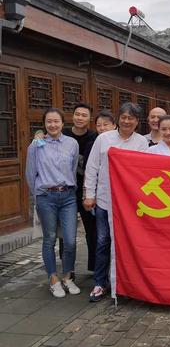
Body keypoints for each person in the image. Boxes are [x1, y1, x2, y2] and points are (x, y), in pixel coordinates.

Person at [84, 103, 149, 302]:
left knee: (129, 244)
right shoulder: (104, 139)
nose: (127, 121)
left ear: (138, 122)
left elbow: (145, 172)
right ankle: (100, 283)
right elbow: (92, 167)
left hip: (130, 204)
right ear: (118, 118)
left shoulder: (141, 143)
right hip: (105, 200)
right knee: (103, 242)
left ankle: (125, 283)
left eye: (132, 118)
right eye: (124, 117)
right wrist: (89, 194)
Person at [26, 107, 80, 298]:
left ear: (62, 123)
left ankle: (67, 276)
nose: (53, 124)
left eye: (56, 121)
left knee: (70, 240)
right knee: (49, 239)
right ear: (44, 124)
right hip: (46, 197)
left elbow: (73, 170)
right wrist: (38, 197)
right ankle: (53, 279)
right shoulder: (36, 144)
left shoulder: (72, 144)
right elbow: (30, 174)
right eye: (49, 121)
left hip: (68, 197)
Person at [61, 102, 97, 273]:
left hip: (87, 190)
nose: (80, 118)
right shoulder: (64, 134)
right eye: (77, 114)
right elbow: (44, 136)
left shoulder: (94, 136)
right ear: (72, 116)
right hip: (67, 189)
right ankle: (68, 269)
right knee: (66, 233)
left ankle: (94, 266)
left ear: (89, 119)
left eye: (84, 115)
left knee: (91, 230)